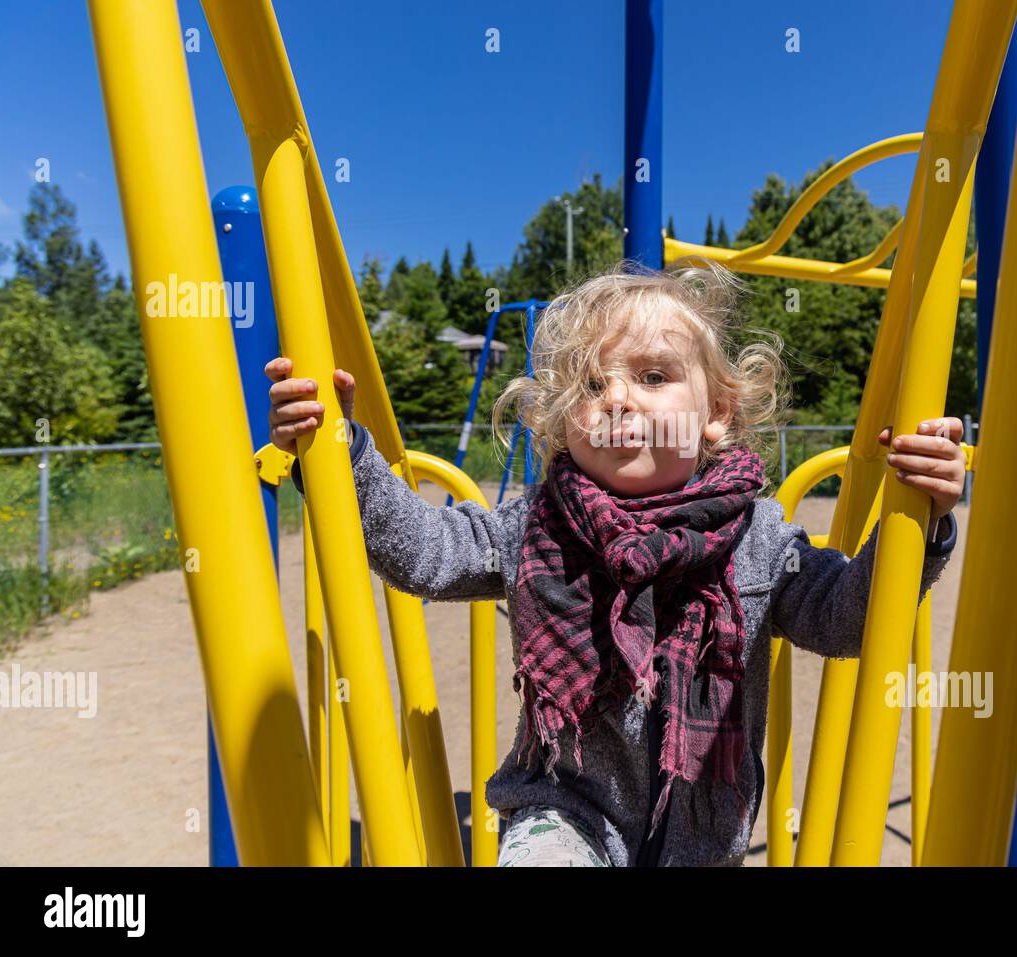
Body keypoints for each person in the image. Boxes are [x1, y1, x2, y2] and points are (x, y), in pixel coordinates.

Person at [266, 259, 965, 866]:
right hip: (563, 812)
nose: (617, 398)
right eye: (592, 386)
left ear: (717, 412)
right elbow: (424, 553)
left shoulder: (758, 536)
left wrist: (917, 525)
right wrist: (342, 456)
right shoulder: (539, 523)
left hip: (704, 836)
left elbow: (846, 619)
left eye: (653, 375)